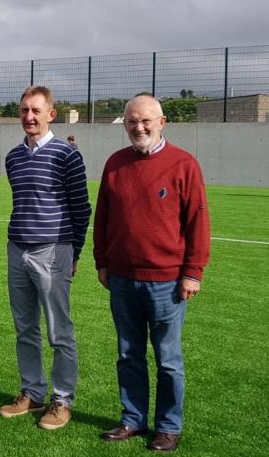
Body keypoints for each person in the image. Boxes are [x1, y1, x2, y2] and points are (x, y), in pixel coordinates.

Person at [94, 95, 210, 452]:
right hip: (123, 279)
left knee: (168, 360)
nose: (138, 128)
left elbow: (198, 223)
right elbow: (103, 218)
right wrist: (102, 262)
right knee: (128, 354)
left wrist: (193, 272)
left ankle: (168, 426)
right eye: (132, 122)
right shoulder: (115, 164)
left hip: (167, 283)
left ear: (162, 122)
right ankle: (132, 419)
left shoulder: (183, 165)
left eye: (145, 121)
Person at [0, 86, 91, 430]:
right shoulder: (13, 157)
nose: (29, 117)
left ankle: (62, 400)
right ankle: (32, 392)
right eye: (24, 110)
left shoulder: (67, 155)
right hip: (17, 250)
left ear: (51, 114)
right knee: (25, 328)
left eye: (36, 110)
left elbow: (82, 209)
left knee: (59, 332)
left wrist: (74, 252)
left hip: (54, 250)